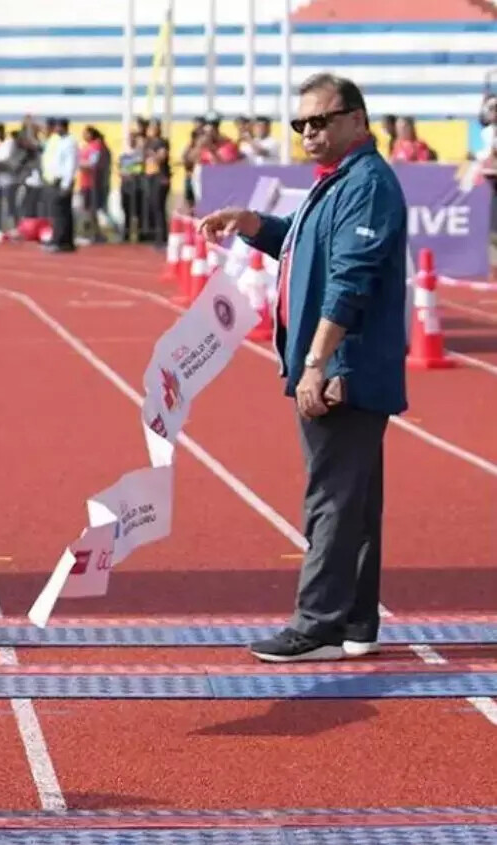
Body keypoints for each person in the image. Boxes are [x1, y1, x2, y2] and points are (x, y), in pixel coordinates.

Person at [198, 73, 408, 664]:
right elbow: (304, 243)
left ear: (357, 120)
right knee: (353, 500)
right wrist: (253, 225)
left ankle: (317, 625)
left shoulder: (366, 184)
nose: (308, 132)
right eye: (301, 124)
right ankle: (355, 623)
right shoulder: (338, 180)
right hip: (338, 364)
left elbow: (351, 280)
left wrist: (317, 363)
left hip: (343, 368)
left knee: (331, 500)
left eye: (320, 120)